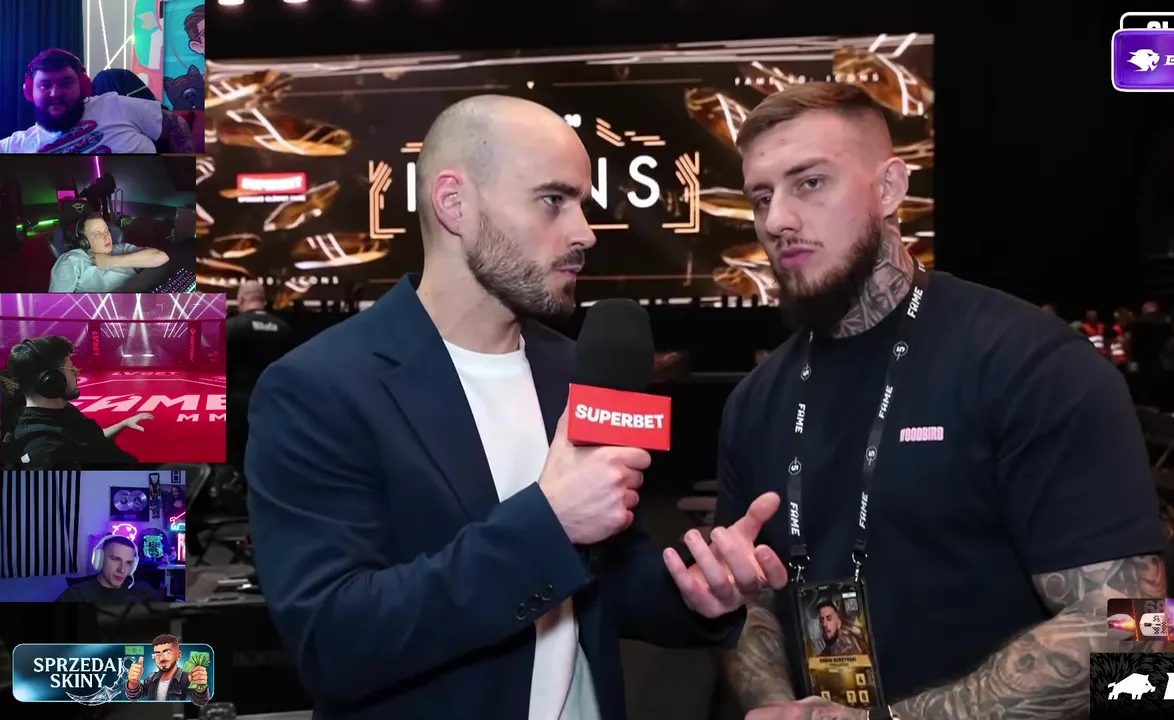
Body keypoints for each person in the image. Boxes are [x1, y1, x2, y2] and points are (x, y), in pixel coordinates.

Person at [244, 94, 788, 720]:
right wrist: (551, 523)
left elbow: (606, 576)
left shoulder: (576, 368)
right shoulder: (319, 388)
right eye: (553, 200)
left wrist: (696, 594)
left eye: (582, 204)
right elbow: (334, 642)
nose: (585, 233)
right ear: (455, 204)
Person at [713, 83, 1168, 720]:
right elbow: (749, 603)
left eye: (810, 183)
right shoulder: (755, 401)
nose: (777, 220)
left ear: (890, 188)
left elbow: (1135, 625)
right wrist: (778, 708)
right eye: (761, 197)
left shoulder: (1032, 363)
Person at [0, 49, 194, 154]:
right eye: (45, 85)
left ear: (83, 86)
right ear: (30, 92)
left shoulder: (115, 105)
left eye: (66, 83)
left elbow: (175, 123)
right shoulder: (16, 145)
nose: (55, 93)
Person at [3, 336, 150, 468]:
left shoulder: (61, 409)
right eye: (70, 368)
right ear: (52, 380)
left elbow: (90, 441)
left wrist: (123, 423)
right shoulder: (45, 450)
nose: (77, 373)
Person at [226, 280, 294, 469]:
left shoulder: (231, 327)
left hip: (237, 407)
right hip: (272, 406)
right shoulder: (283, 329)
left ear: (241, 300)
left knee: (237, 461)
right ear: (263, 301)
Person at [48, 213, 170, 292]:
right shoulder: (71, 260)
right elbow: (57, 305)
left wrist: (111, 261)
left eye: (106, 230)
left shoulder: (121, 248)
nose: (107, 236)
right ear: (84, 241)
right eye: (97, 234)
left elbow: (162, 257)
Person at [55, 535, 162, 603]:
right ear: (100, 560)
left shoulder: (144, 590)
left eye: (128, 563)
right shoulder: (76, 595)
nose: (122, 570)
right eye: (115, 559)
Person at [124, 634, 211, 706]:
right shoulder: (152, 677)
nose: (161, 658)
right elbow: (135, 696)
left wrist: (200, 688)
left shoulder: (187, 678)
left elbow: (201, 701)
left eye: (167, 652)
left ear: (178, 655)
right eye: (157, 654)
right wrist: (133, 683)